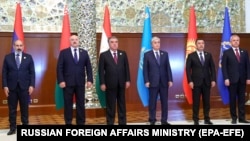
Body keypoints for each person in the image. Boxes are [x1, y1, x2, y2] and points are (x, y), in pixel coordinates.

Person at [57, 34, 93, 125]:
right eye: (72, 39)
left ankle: (81, 122)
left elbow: (89, 67)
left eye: (76, 39)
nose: (74, 41)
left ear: (78, 40)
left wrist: (89, 80)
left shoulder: (84, 52)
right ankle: (68, 122)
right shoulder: (64, 52)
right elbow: (59, 68)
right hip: (67, 83)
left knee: (81, 103)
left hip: (80, 82)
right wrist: (61, 80)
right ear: (70, 41)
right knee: (68, 104)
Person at [2, 40, 35, 135]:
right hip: (11, 88)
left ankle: (25, 127)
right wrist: (5, 86)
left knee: (24, 108)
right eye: (17, 45)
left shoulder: (28, 57)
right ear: (14, 46)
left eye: (20, 45)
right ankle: (12, 128)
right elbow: (4, 73)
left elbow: (32, 72)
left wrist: (32, 85)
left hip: (24, 87)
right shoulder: (8, 57)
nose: (19, 47)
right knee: (12, 109)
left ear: (23, 46)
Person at [98, 36, 131, 125]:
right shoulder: (104, 55)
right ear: (109, 43)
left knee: (122, 105)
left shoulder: (123, 53)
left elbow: (126, 68)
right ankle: (110, 122)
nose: (114, 43)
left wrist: (127, 80)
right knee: (111, 106)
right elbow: (101, 71)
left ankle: (122, 122)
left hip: (121, 83)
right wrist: (102, 83)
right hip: (109, 84)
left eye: (116, 41)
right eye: (112, 42)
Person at [143, 36, 173, 125]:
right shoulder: (147, 55)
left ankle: (164, 120)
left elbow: (168, 67)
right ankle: (152, 119)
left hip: (164, 82)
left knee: (164, 102)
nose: (157, 44)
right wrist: (146, 81)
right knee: (152, 102)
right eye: (155, 42)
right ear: (152, 44)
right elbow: (145, 69)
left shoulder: (165, 54)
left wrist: (170, 79)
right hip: (152, 82)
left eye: (158, 42)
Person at [186, 39, 216, 125]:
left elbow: (212, 68)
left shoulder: (208, 55)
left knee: (207, 102)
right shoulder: (191, 56)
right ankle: (196, 119)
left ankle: (207, 119)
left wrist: (213, 79)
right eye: (199, 43)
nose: (201, 45)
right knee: (196, 102)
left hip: (207, 82)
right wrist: (190, 81)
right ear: (196, 45)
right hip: (195, 83)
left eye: (203, 43)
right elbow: (188, 70)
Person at [221, 34, 250, 124]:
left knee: (242, 99)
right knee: (232, 99)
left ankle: (242, 118)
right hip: (231, 80)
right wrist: (226, 78)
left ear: (239, 42)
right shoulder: (226, 53)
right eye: (234, 40)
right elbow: (224, 67)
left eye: (237, 40)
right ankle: (234, 118)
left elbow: (248, 66)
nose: (236, 42)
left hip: (242, 80)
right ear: (230, 42)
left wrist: (248, 77)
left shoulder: (244, 52)